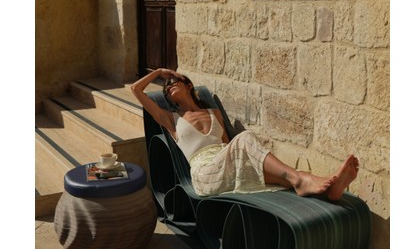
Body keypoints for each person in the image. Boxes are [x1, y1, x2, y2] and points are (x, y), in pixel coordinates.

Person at [131, 68, 359, 200]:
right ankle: (301, 179)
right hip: (205, 175)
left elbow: (226, 145)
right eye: (166, 88)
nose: (169, 85)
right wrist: (160, 72)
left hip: (227, 164)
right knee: (245, 138)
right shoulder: (171, 120)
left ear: (188, 85)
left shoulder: (213, 113)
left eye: (173, 81)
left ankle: (325, 189)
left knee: (276, 173)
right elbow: (135, 89)